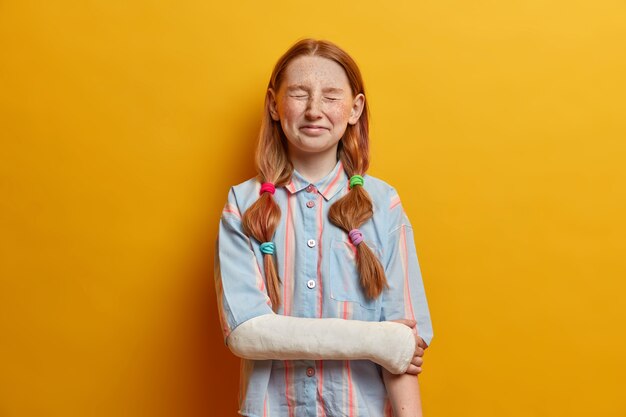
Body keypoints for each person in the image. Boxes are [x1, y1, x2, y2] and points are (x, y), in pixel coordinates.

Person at [214, 38, 434, 417]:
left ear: (355, 108)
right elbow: (246, 332)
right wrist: (378, 341)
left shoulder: (383, 206)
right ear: (274, 104)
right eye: (299, 94)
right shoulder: (243, 204)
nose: (314, 110)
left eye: (331, 96)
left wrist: (391, 344)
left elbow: (402, 350)